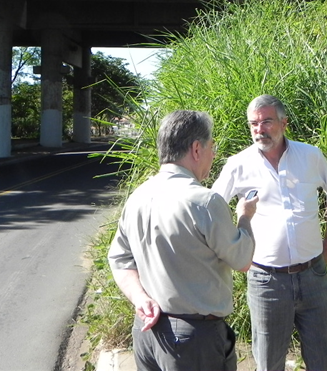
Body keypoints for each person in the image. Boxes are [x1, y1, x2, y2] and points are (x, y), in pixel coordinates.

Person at [108, 109, 257, 371]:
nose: (213, 154)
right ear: (196, 149)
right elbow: (243, 260)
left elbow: (119, 259)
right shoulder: (205, 201)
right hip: (193, 339)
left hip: (147, 333)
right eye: (212, 146)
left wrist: (140, 298)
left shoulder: (138, 197)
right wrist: (245, 217)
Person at [212, 95, 327, 371]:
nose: (260, 129)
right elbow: (211, 209)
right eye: (254, 124)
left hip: (314, 275)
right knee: (269, 363)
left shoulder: (310, 155)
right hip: (266, 281)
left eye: (267, 121)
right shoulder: (239, 164)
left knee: (323, 362)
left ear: (284, 123)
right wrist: (235, 249)